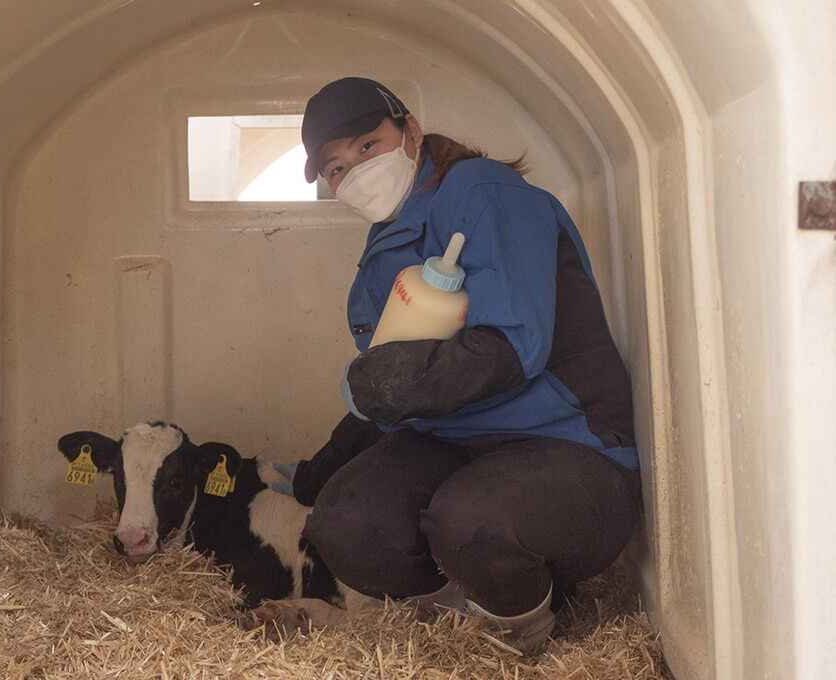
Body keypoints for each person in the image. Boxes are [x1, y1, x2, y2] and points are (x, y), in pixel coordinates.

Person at [273, 77, 642, 653]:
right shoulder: (385, 240)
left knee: (472, 520)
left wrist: (387, 382)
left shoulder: (482, 191)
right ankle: (463, 619)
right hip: (453, 444)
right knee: (343, 523)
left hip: (569, 443)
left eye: (366, 147)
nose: (353, 171)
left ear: (411, 131)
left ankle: (521, 635)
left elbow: (516, 346)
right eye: (336, 168)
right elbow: (397, 397)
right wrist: (324, 462)